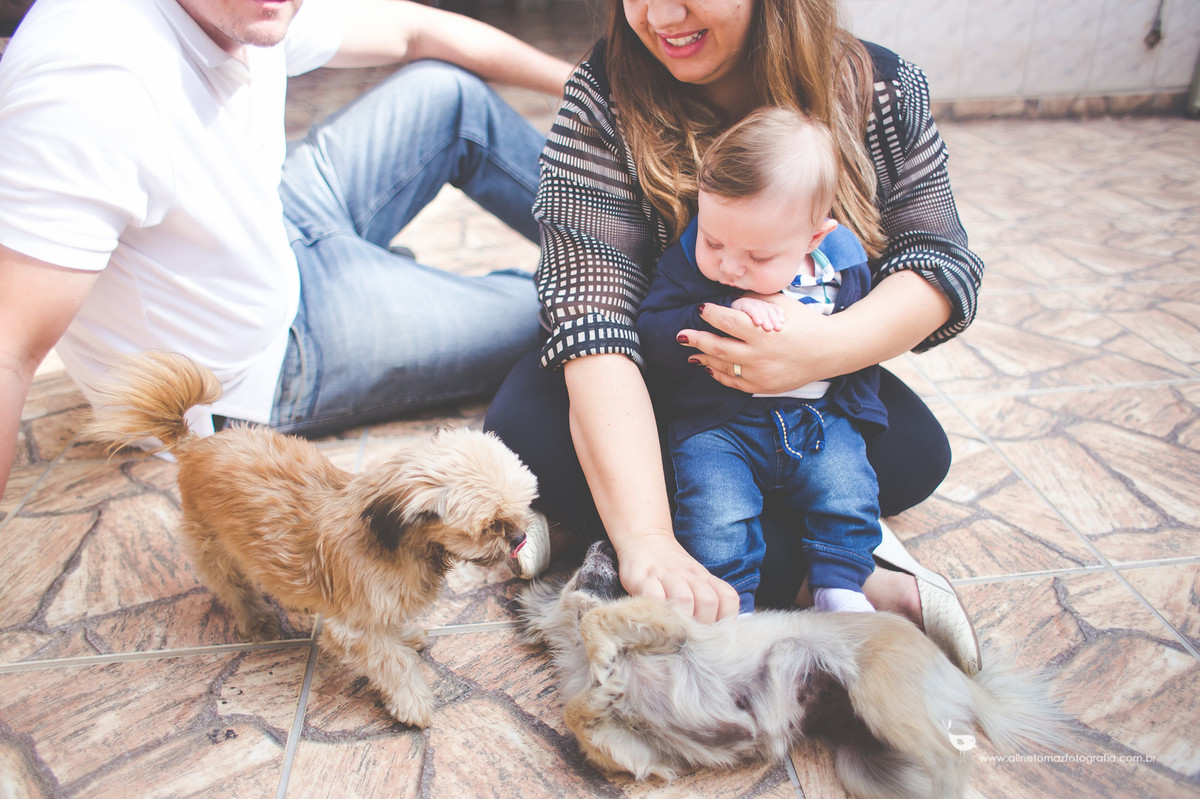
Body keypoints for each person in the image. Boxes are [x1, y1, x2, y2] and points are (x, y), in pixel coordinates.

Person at [484, 0, 984, 672]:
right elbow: (590, 320)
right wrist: (647, 540)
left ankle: (592, 519)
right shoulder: (603, 96)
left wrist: (819, 351)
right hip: (660, 385)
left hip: (801, 395)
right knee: (526, 422)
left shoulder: (880, 88)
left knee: (914, 451)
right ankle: (831, 574)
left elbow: (939, 259)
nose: (659, 14)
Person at [0, 0, 574, 500]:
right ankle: (620, 285)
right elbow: (10, 349)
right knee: (564, 312)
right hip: (258, 360)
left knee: (446, 94)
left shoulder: (251, 7)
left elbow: (411, 29)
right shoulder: (88, 83)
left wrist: (589, 84)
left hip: (278, 222)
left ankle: (639, 240)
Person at [637, 107, 885, 616]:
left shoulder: (844, 267)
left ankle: (840, 587)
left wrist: (851, 390)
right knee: (715, 513)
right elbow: (653, 328)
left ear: (814, 238)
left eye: (758, 258)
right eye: (714, 240)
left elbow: (866, 342)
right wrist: (722, 312)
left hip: (819, 420)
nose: (729, 265)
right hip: (720, 427)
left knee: (849, 490)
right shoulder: (690, 263)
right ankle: (734, 606)